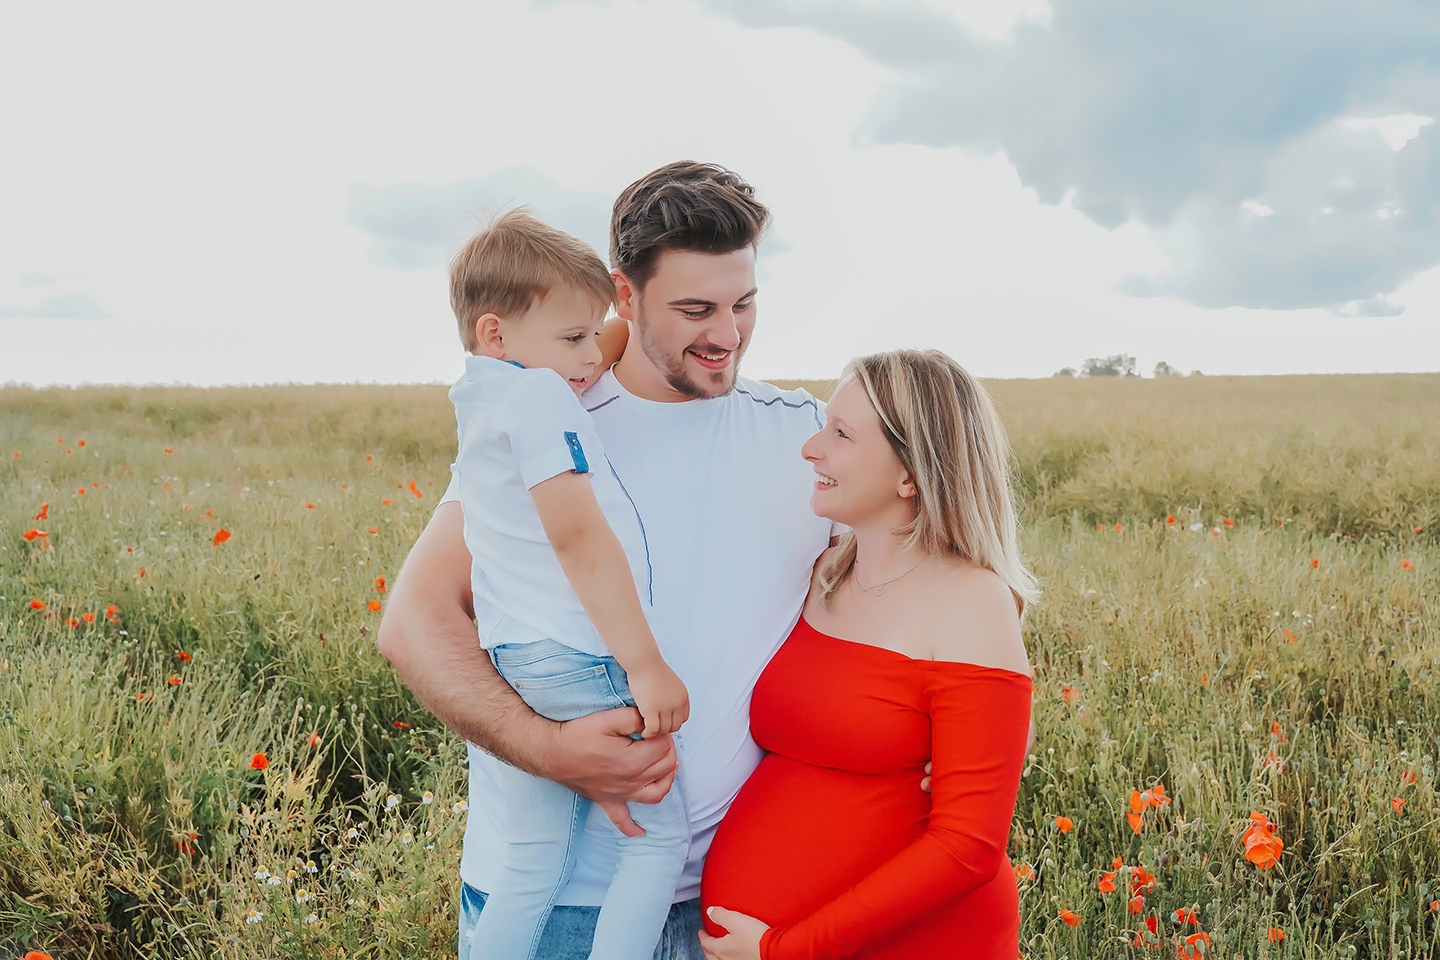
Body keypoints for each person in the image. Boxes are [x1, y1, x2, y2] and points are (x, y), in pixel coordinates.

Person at [378, 161, 840, 960]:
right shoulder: (550, 413)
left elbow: (910, 594)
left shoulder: (807, 438)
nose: (726, 334)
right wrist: (549, 751)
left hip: (739, 904)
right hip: (556, 910)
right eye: (694, 310)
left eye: (743, 303)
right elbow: (413, 623)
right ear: (624, 295)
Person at [699, 349, 1039, 960]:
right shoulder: (824, 571)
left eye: (841, 434)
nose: (811, 449)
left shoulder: (971, 600)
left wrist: (787, 949)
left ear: (910, 474)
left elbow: (967, 848)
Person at [445, 208, 692, 959]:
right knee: (660, 840)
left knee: (533, 856)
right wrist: (645, 665)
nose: (592, 356)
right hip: (579, 655)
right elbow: (578, 539)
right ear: (496, 334)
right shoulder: (541, 397)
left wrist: (597, 329)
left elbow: (591, 340)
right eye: (574, 338)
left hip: (516, 658)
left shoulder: (482, 393)